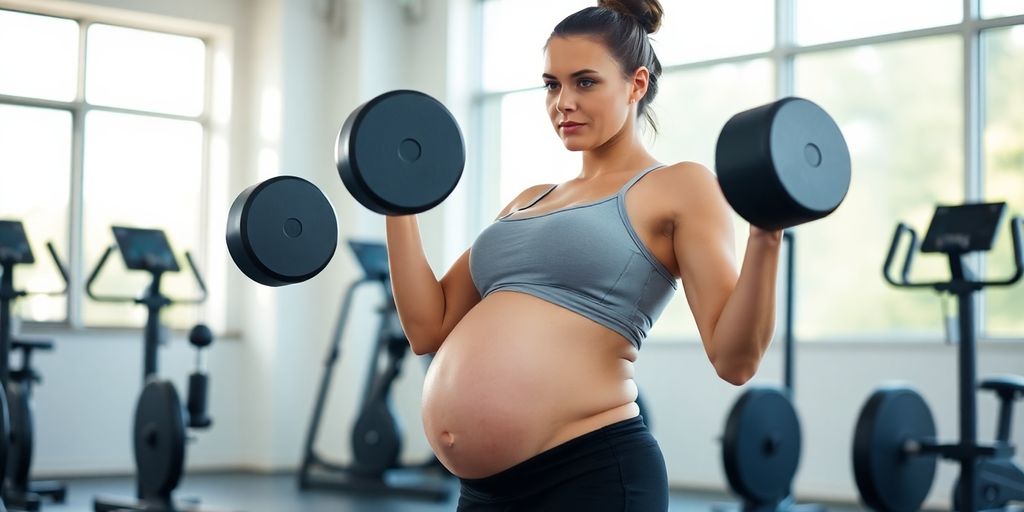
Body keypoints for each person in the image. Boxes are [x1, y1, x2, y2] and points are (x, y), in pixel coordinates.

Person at [385, 1, 782, 510]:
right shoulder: (528, 198)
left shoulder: (679, 186)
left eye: (585, 82)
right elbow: (428, 328)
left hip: (591, 474)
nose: (562, 102)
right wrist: (394, 200)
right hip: (485, 494)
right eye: (552, 84)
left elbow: (735, 359)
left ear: (636, 84)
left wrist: (766, 233)